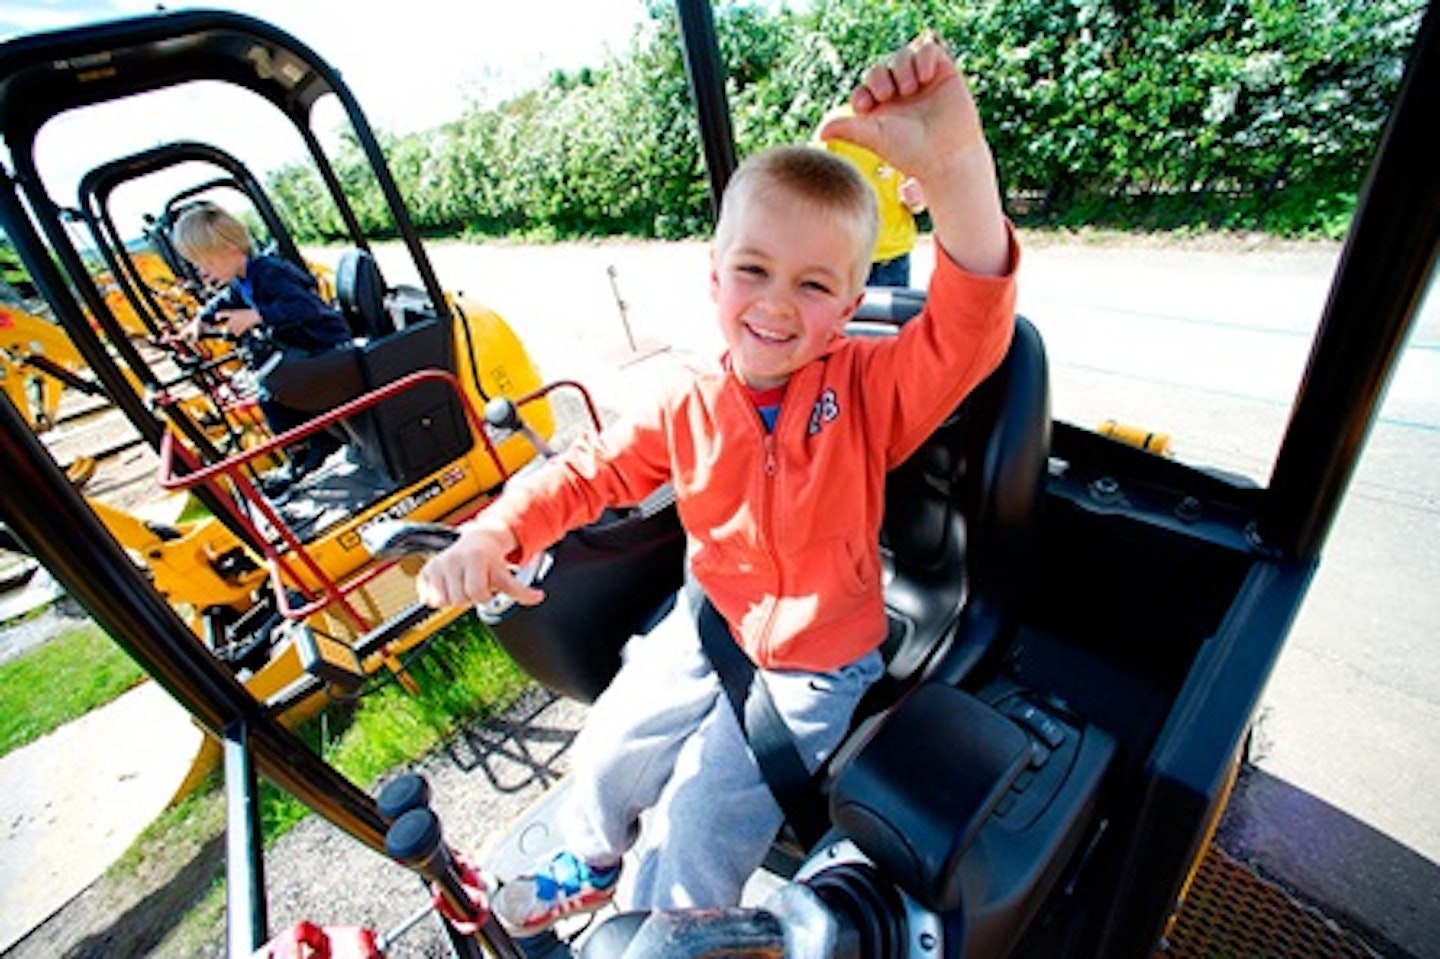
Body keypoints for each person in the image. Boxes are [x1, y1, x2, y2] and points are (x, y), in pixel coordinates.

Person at [417, 33, 1016, 936]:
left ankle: (663, 933)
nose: (777, 303)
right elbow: (587, 473)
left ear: (850, 308)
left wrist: (960, 167)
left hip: (820, 659)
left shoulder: (864, 389)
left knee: (701, 818)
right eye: (754, 271)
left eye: (814, 284)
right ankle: (589, 857)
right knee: (612, 741)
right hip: (711, 620)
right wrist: (498, 532)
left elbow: (969, 326)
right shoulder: (683, 401)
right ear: (714, 277)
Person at [172, 204, 354, 481]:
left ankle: (314, 446)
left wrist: (257, 316)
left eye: (207, 263)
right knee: (268, 388)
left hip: (325, 346)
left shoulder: (270, 273)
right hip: (303, 348)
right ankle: (308, 447)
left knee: (271, 395)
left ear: (231, 251)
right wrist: (202, 318)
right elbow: (224, 300)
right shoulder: (243, 279)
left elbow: (308, 307)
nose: (202, 271)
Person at [819, 103, 928, 287]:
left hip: (894, 260)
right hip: (848, 261)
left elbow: (920, 198)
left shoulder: (910, 126)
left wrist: (919, 198)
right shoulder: (837, 125)